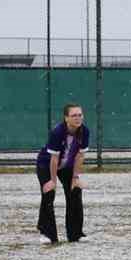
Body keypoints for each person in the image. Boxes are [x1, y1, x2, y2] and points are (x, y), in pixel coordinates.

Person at [36, 103, 90, 244]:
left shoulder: (84, 131)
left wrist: (75, 177)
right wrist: (52, 181)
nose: (78, 118)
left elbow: (80, 156)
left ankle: (75, 234)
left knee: (75, 191)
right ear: (66, 118)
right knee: (49, 193)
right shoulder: (57, 132)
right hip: (47, 164)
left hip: (67, 165)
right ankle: (47, 233)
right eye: (74, 115)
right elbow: (54, 159)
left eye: (80, 115)